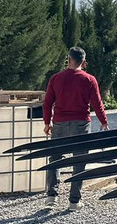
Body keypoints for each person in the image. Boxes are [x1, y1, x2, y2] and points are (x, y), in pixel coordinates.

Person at [43, 46, 109, 209]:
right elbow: (97, 103)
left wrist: (47, 122)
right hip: (81, 123)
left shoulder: (56, 78)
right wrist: (103, 121)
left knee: (55, 159)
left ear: (69, 60)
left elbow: (47, 103)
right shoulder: (89, 79)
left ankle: (51, 197)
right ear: (84, 63)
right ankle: (74, 200)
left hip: (59, 123)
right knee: (79, 161)